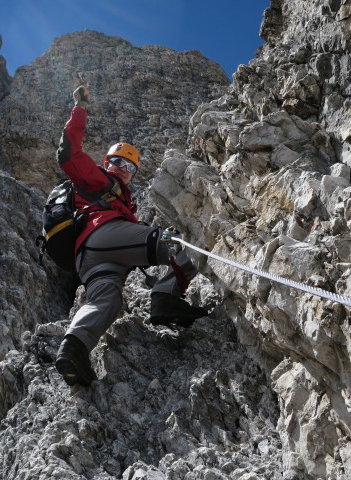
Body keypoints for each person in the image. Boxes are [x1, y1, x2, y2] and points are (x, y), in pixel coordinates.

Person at [54, 85, 208, 387]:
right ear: (106, 162)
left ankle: (73, 350)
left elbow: (136, 252)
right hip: (103, 234)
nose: (123, 169)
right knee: (178, 242)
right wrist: (80, 109)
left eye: (130, 167)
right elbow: (69, 154)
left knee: (107, 301)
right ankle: (166, 297)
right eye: (117, 161)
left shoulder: (123, 201)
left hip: (90, 259)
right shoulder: (99, 179)